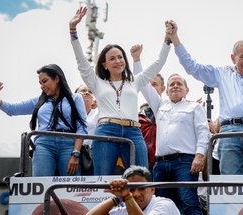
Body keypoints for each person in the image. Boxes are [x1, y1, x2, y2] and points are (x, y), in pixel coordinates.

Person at [69, 7, 172, 175]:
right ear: (104, 64)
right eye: (112, 58)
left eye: (120, 57)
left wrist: (168, 39)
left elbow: (158, 63)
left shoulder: (135, 81)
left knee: (141, 176)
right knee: (103, 179)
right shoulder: (97, 83)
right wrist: (73, 30)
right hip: (106, 130)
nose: (118, 61)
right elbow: (81, 61)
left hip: (133, 132)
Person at [166, 20, 243, 175]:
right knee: (230, 182)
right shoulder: (222, 74)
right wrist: (175, 38)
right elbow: (192, 67)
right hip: (229, 132)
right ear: (233, 58)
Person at [136, 61, 209, 215]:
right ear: (166, 91)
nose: (175, 86)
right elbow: (143, 84)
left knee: (189, 203)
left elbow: (203, 132)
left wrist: (199, 156)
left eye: (179, 84)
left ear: (187, 90)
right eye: (171, 84)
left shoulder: (195, 107)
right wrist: (137, 60)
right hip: (160, 164)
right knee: (162, 205)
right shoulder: (159, 105)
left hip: (185, 162)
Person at [0, 64, 87, 176]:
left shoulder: (76, 98)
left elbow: (82, 127)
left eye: (44, 81)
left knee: (71, 187)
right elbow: (12, 109)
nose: (42, 86)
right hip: (44, 145)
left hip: (69, 144)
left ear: (57, 79)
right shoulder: (38, 101)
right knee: (40, 185)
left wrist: (76, 153)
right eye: (40, 83)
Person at [85, 165, 180, 215]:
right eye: (132, 189)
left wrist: (127, 196)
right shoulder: (125, 208)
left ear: (152, 190)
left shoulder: (164, 204)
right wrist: (118, 198)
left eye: (142, 188)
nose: (136, 194)